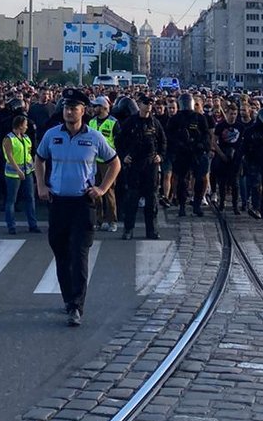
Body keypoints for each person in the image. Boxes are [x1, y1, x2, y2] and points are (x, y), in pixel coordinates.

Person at [34, 89, 121, 327]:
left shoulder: (94, 137)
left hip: (83, 203)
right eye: (66, 108)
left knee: (79, 254)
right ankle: (67, 297)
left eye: (74, 108)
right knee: (61, 253)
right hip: (59, 202)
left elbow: (114, 163)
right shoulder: (52, 136)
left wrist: (102, 189)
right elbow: (39, 158)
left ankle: (76, 305)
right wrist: (41, 185)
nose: (69, 112)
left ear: (84, 111)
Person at [115, 93, 166, 240]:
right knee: (132, 200)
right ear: (140, 105)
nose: (148, 106)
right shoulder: (131, 122)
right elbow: (119, 140)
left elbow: (163, 141)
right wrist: (124, 156)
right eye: (145, 103)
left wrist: (160, 156)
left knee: (152, 201)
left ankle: (152, 231)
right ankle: (128, 230)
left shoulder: (155, 123)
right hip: (135, 165)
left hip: (150, 165)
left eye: (150, 103)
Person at [168, 92, 214, 218]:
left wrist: (202, 145)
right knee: (182, 181)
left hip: (197, 152)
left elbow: (206, 135)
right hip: (182, 153)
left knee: (199, 179)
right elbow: (170, 136)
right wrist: (179, 144)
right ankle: (182, 205)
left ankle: (197, 205)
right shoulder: (175, 118)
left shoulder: (199, 118)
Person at [2, 111, 40, 234]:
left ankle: (32, 224)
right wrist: (18, 170)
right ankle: (11, 226)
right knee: (11, 200)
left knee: (30, 198)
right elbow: (9, 155)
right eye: (25, 125)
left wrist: (33, 167)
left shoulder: (26, 138)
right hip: (13, 173)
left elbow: (29, 153)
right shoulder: (9, 138)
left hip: (27, 170)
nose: (27, 127)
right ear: (19, 125)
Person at [88, 96, 120, 232]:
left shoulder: (113, 122)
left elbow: (118, 141)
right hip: (94, 161)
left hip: (108, 162)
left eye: (96, 106)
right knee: (94, 192)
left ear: (103, 107)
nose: (94, 108)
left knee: (109, 191)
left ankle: (112, 220)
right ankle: (99, 220)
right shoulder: (91, 122)